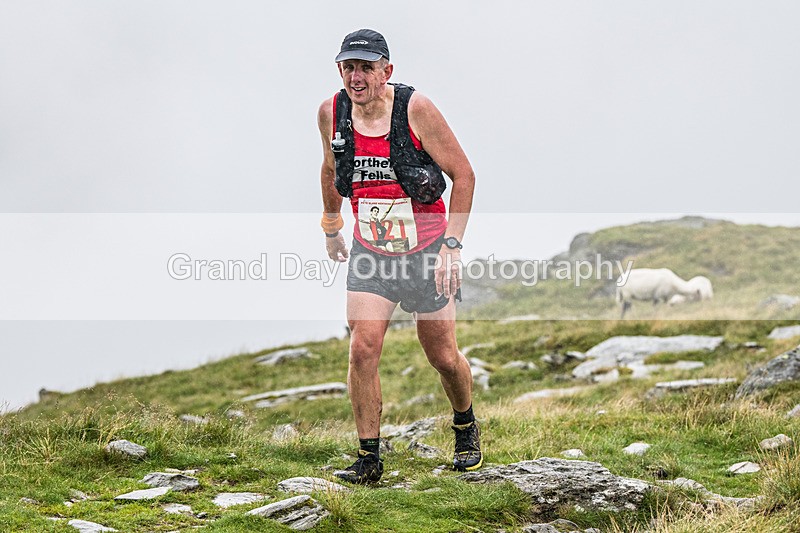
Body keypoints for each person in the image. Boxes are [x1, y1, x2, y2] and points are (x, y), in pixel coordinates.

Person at [318, 29, 480, 484]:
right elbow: (331, 171)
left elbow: (464, 175)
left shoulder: (416, 110)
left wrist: (452, 245)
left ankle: (465, 425)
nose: (356, 76)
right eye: (349, 67)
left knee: (443, 356)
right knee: (362, 347)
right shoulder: (332, 113)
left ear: (386, 71)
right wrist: (332, 226)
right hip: (372, 253)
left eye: (367, 67)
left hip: (427, 252)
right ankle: (369, 458)